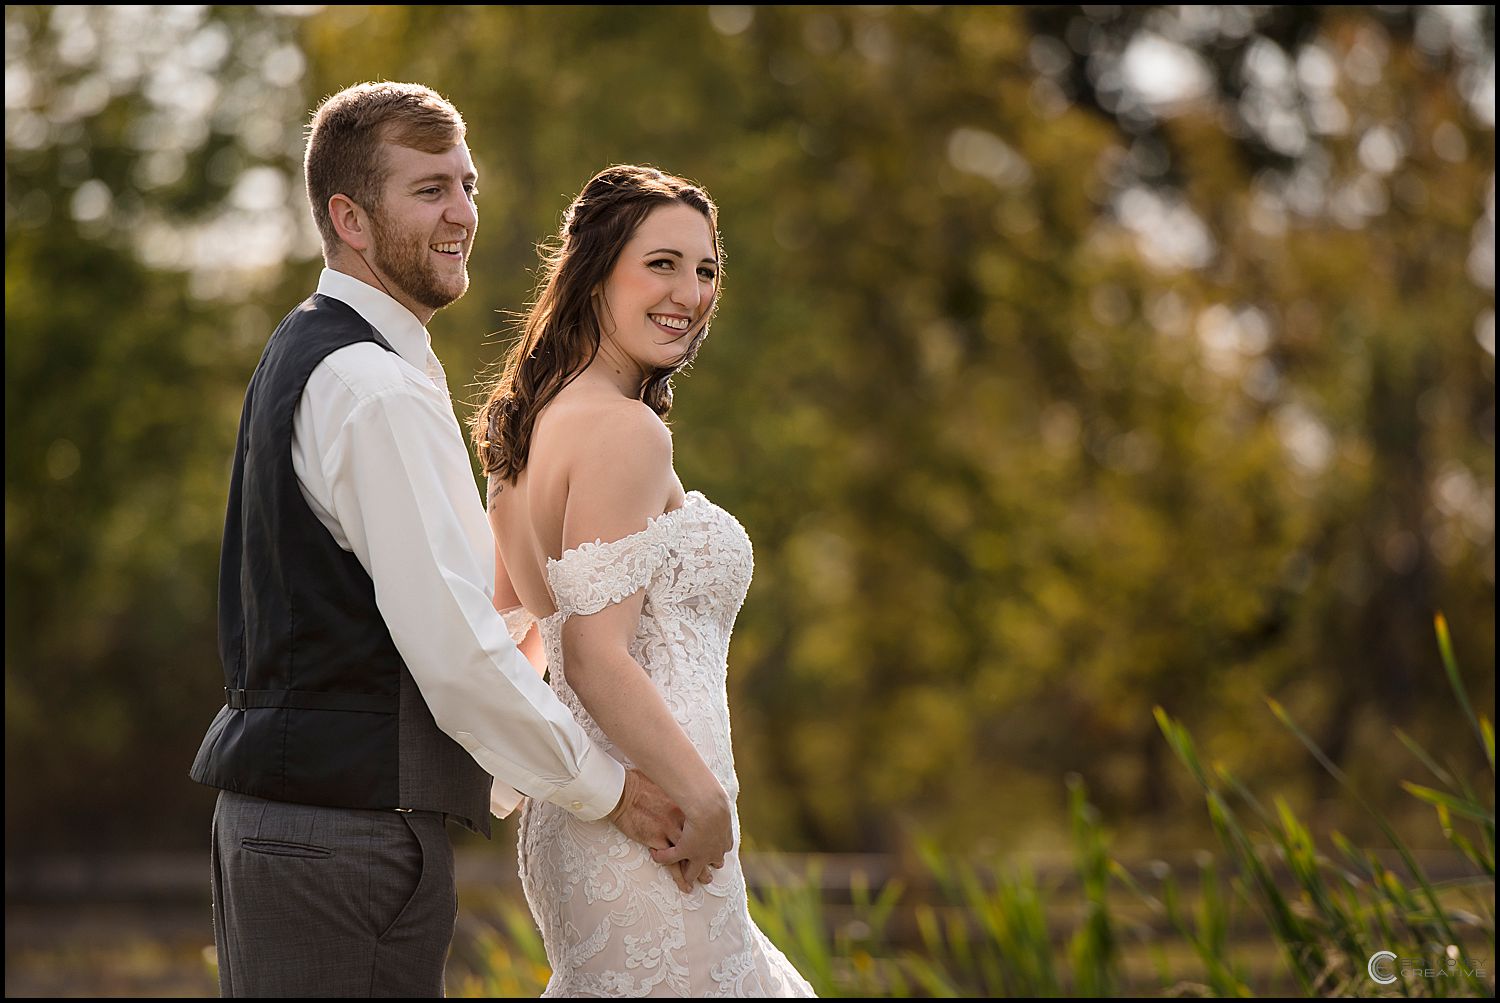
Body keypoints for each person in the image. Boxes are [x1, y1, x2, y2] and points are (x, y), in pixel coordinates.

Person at [188, 83, 728, 997]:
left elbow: (477, 605)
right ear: (349, 217)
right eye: (430, 189)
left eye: (467, 185)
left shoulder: (319, 351)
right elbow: (455, 652)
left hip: (306, 829)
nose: (463, 214)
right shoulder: (374, 386)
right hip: (343, 845)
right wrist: (610, 790)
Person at [473, 164, 816, 997]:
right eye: (661, 263)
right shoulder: (626, 433)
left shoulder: (527, 427)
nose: (691, 292)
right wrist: (706, 799)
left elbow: (502, 620)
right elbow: (592, 652)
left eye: (705, 270)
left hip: (594, 817)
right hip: (660, 821)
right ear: (594, 273)